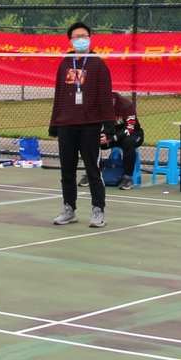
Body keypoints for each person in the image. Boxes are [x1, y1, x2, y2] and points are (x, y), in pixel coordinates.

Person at [49, 21, 115, 228]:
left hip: (89, 125)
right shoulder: (65, 63)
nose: (80, 40)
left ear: (90, 38)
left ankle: (98, 210)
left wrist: (109, 128)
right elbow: (59, 94)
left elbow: (105, 97)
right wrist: (54, 123)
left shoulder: (98, 64)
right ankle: (69, 208)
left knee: (92, 169)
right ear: (70, 41)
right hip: (66, 124)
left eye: (84, 36)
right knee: (67, 170)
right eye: (76, 37)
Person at [79, 92, 144, 190]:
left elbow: (130, 128)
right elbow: (94, 125)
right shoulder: (99, 106)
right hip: (111, 134)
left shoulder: (127, 105)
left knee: (128, 143)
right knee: (89, 141)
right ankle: (93, 173)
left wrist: (112, 138)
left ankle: (127, 178)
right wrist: (100, 136)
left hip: (133, 134)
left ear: (113, 101)